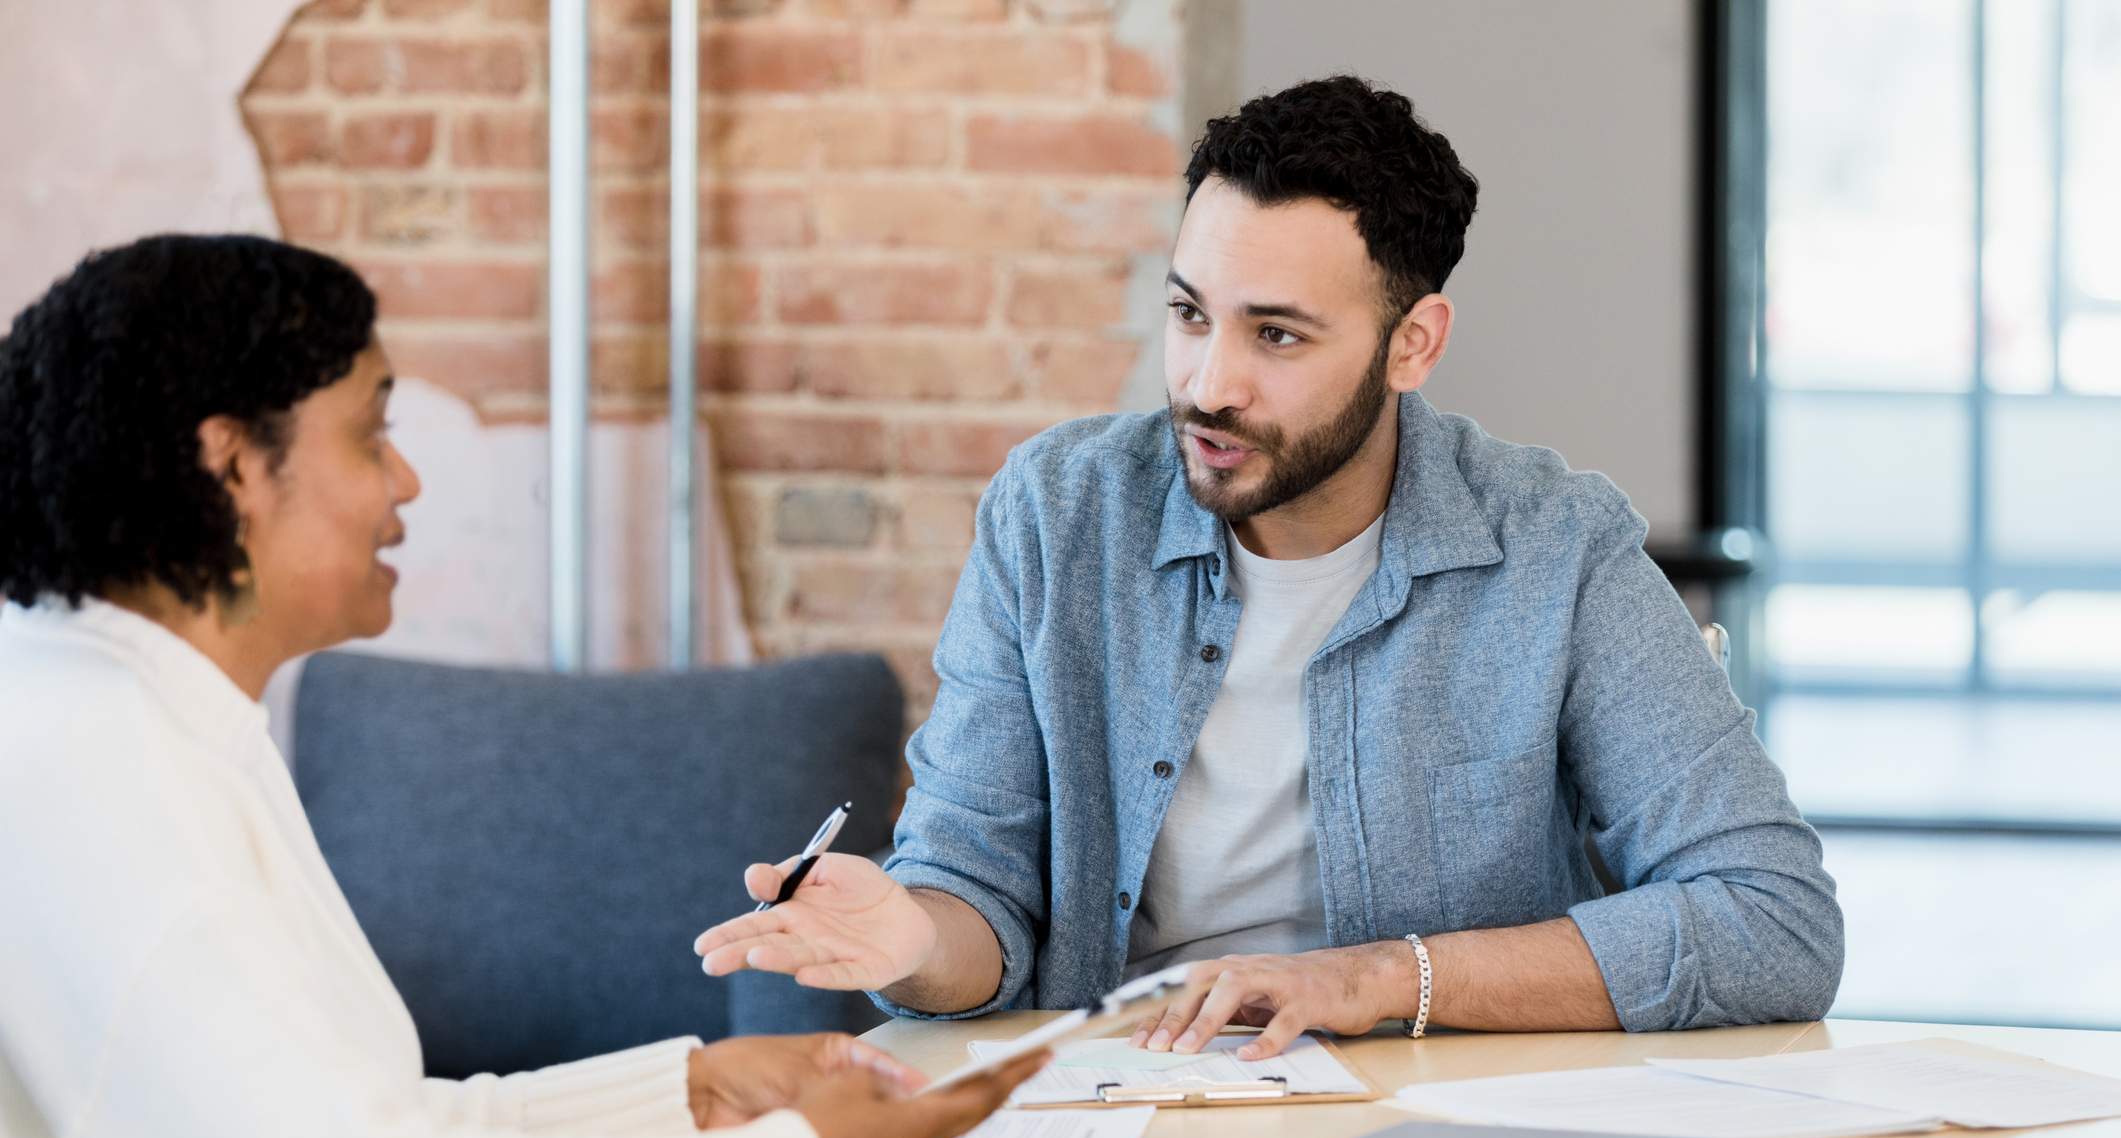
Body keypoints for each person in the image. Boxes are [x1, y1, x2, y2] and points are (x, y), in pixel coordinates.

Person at [0, 234, 1040, 1138]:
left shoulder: (139, 710)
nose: (407, 482)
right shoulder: (99, 765)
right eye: (371, 432)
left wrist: (685, 1095)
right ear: (233, 465)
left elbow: (363, 1127)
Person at [695, 76, 1844, 1059]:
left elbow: (1774, 920)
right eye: (1191, 314)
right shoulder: (1054, 515)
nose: (1210, 383)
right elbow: (976, 898)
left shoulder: (1559, 549)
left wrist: (1376, 978)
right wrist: (913, 936)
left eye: (1276, 335)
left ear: (1414, 343)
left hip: (1433, 1119)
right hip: (1121, 1104)